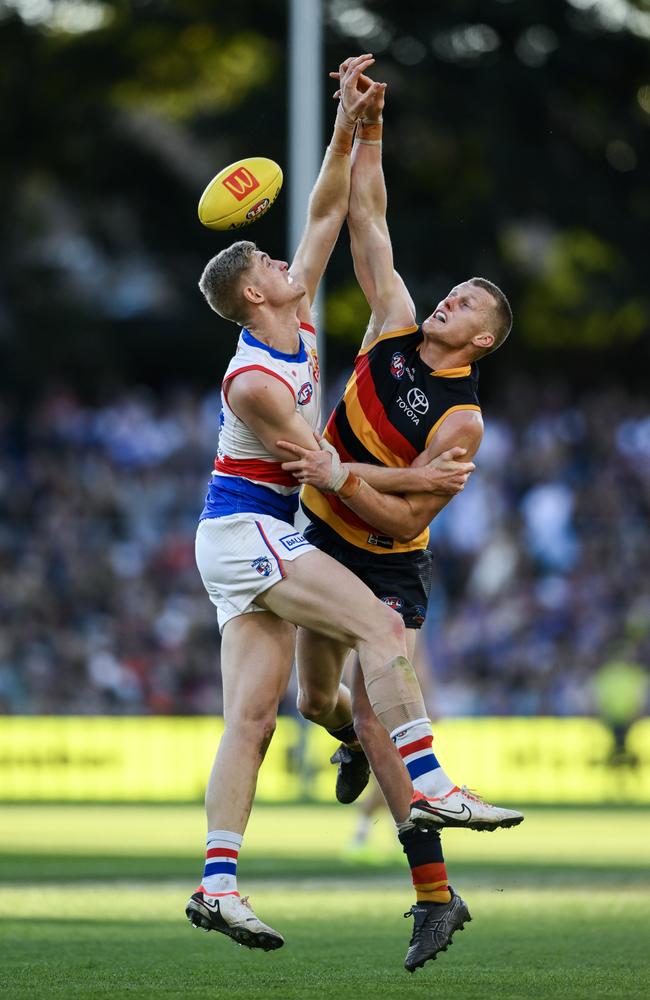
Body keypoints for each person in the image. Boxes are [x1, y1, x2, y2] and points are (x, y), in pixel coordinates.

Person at [185, 55, 476, 955]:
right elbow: (324, 473)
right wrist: (422, 486)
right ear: (252, 294)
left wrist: (351, 120)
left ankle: (218, 884)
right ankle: (431, 783)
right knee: (382, 635)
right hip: (250, 529)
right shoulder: (255, 382)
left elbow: (323, 210)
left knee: (255, 720)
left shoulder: (296, 317)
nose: (287, 257)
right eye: (271, 260)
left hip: (249, 537)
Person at [279, 64, 523, 971]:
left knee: (382, 719)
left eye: (468, 302)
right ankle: (352, 740)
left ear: (483, 341)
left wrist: (335, 471)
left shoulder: (463, 421)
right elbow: (369, 221)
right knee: (315, 703)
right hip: (320, 534)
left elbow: (407, 502)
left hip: (384, 561)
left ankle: (435, 898)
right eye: (454, 288)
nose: (449, 296)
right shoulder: (392, 322)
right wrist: (368, 126)